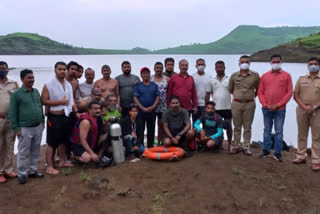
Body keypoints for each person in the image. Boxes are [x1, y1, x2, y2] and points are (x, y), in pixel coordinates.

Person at [9, 69, 44, 184]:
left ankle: (33, 171)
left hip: (38, 126)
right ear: (22, 79)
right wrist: (16, 128)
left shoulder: (36, 91)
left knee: (36, 150)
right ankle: (22, 174)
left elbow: (40, 107)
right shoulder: (16, 94)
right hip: (24, 128)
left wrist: (42, 120)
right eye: (29, 78)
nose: (32, 80)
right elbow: (12, 113)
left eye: (33, 77)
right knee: (23, 152)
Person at [41, 61, 75, 175]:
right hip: (54, 117)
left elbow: (70, 100)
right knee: (51, 142)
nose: (62, 71)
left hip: (66, 116)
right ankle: (49, 166)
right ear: (55, 70)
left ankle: (62, 161)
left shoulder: (68, 84)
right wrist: (60, 102)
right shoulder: (49, 84)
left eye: (64, 69)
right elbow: (43, 100)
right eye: (60, 69)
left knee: (63, 140)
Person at [258, 54, 293, 162]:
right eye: (274, 61)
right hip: (266, 108)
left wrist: (278, 105)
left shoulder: (287, 76)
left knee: (279, 131)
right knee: (267, 130)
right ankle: (266, 150)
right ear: (270, 62)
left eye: (278, 61)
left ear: (281, 62)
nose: (276, 63)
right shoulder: (264, 76)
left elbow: (289, 92)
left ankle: (277, 152)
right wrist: (265, 104)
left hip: (280, 109)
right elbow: (260, 91)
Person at [228, 55, 260, 155]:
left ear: (249, 63)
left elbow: (258, 89)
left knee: (247, 127)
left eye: (246, 61)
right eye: (242, 62)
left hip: (249, 104)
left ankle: (246, 146)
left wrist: (250, 97)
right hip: (236, 103)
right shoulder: (234, 75)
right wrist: (239, 96)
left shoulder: (255, 75)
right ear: (239, 63)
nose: (244, 63)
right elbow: (230, 89)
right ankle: (236, 145)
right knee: (236, 126)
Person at [293, 57, 320, 171]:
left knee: (317, 136)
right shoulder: (301, 79)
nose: (312, 65)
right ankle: (301, 156)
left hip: (317, 111)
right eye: (310, 64)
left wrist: (314, 107)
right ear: (307, 66)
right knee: (302, 134)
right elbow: (295, 95)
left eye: (315, 64)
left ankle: (316, 160)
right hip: (302, 110)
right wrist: (304, 107)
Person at [205, 60, 232, 150]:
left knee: (228, 126)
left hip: (228, 107)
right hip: (216, 108)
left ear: (224, 68)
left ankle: (229, 144)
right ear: (215, 68)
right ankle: (219, 143)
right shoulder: (211, 80)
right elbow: (208, 94)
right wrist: (207, 105)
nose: (219, 69)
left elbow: (234, 91)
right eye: (218, 67)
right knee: (217, 127)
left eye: (221, 67)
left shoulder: (229, 79)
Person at [0, 61, 19, 183]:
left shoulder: (14, 84)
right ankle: (0, 171)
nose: (2, 70)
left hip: (11, 118)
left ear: (8, 70)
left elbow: (18, 100)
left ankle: (8, 169)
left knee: (10, 144)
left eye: (4, 68)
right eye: (0, 68)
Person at [133, 67, 159, 148]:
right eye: (144, 73)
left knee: (151, 130)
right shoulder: (138, 85)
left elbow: (157, 96)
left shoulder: (154, 85)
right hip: (141, 112)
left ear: (150, 74)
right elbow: (135, 98)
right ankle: (140, 147)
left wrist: (153, 106)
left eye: (147, 73)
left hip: (152, 112)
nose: (146, 75)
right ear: (141, 75)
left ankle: (150, 147)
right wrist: (141, 107)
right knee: (140, 130)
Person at [151, 62, 170, 144]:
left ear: (163, 69)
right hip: (152, 105)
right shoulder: (150, 78)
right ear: (154, 69)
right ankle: (150, 142)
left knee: (161, 126)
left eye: (160, 67)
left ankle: (160, 143)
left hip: (163, 106)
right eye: (157, 67)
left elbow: (170, 92)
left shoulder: (167, 79)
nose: (158, 69)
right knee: (151, 125)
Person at [192, 58, 211, 123]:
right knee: (195, 124)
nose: (201, 66)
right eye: (199, 64)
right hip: (195, 105)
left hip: (205, 105)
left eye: (202, 64)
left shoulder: (209, 77)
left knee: (206, 124)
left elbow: (211, 91)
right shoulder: (192, 77)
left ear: (205, 65)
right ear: (196, 66)